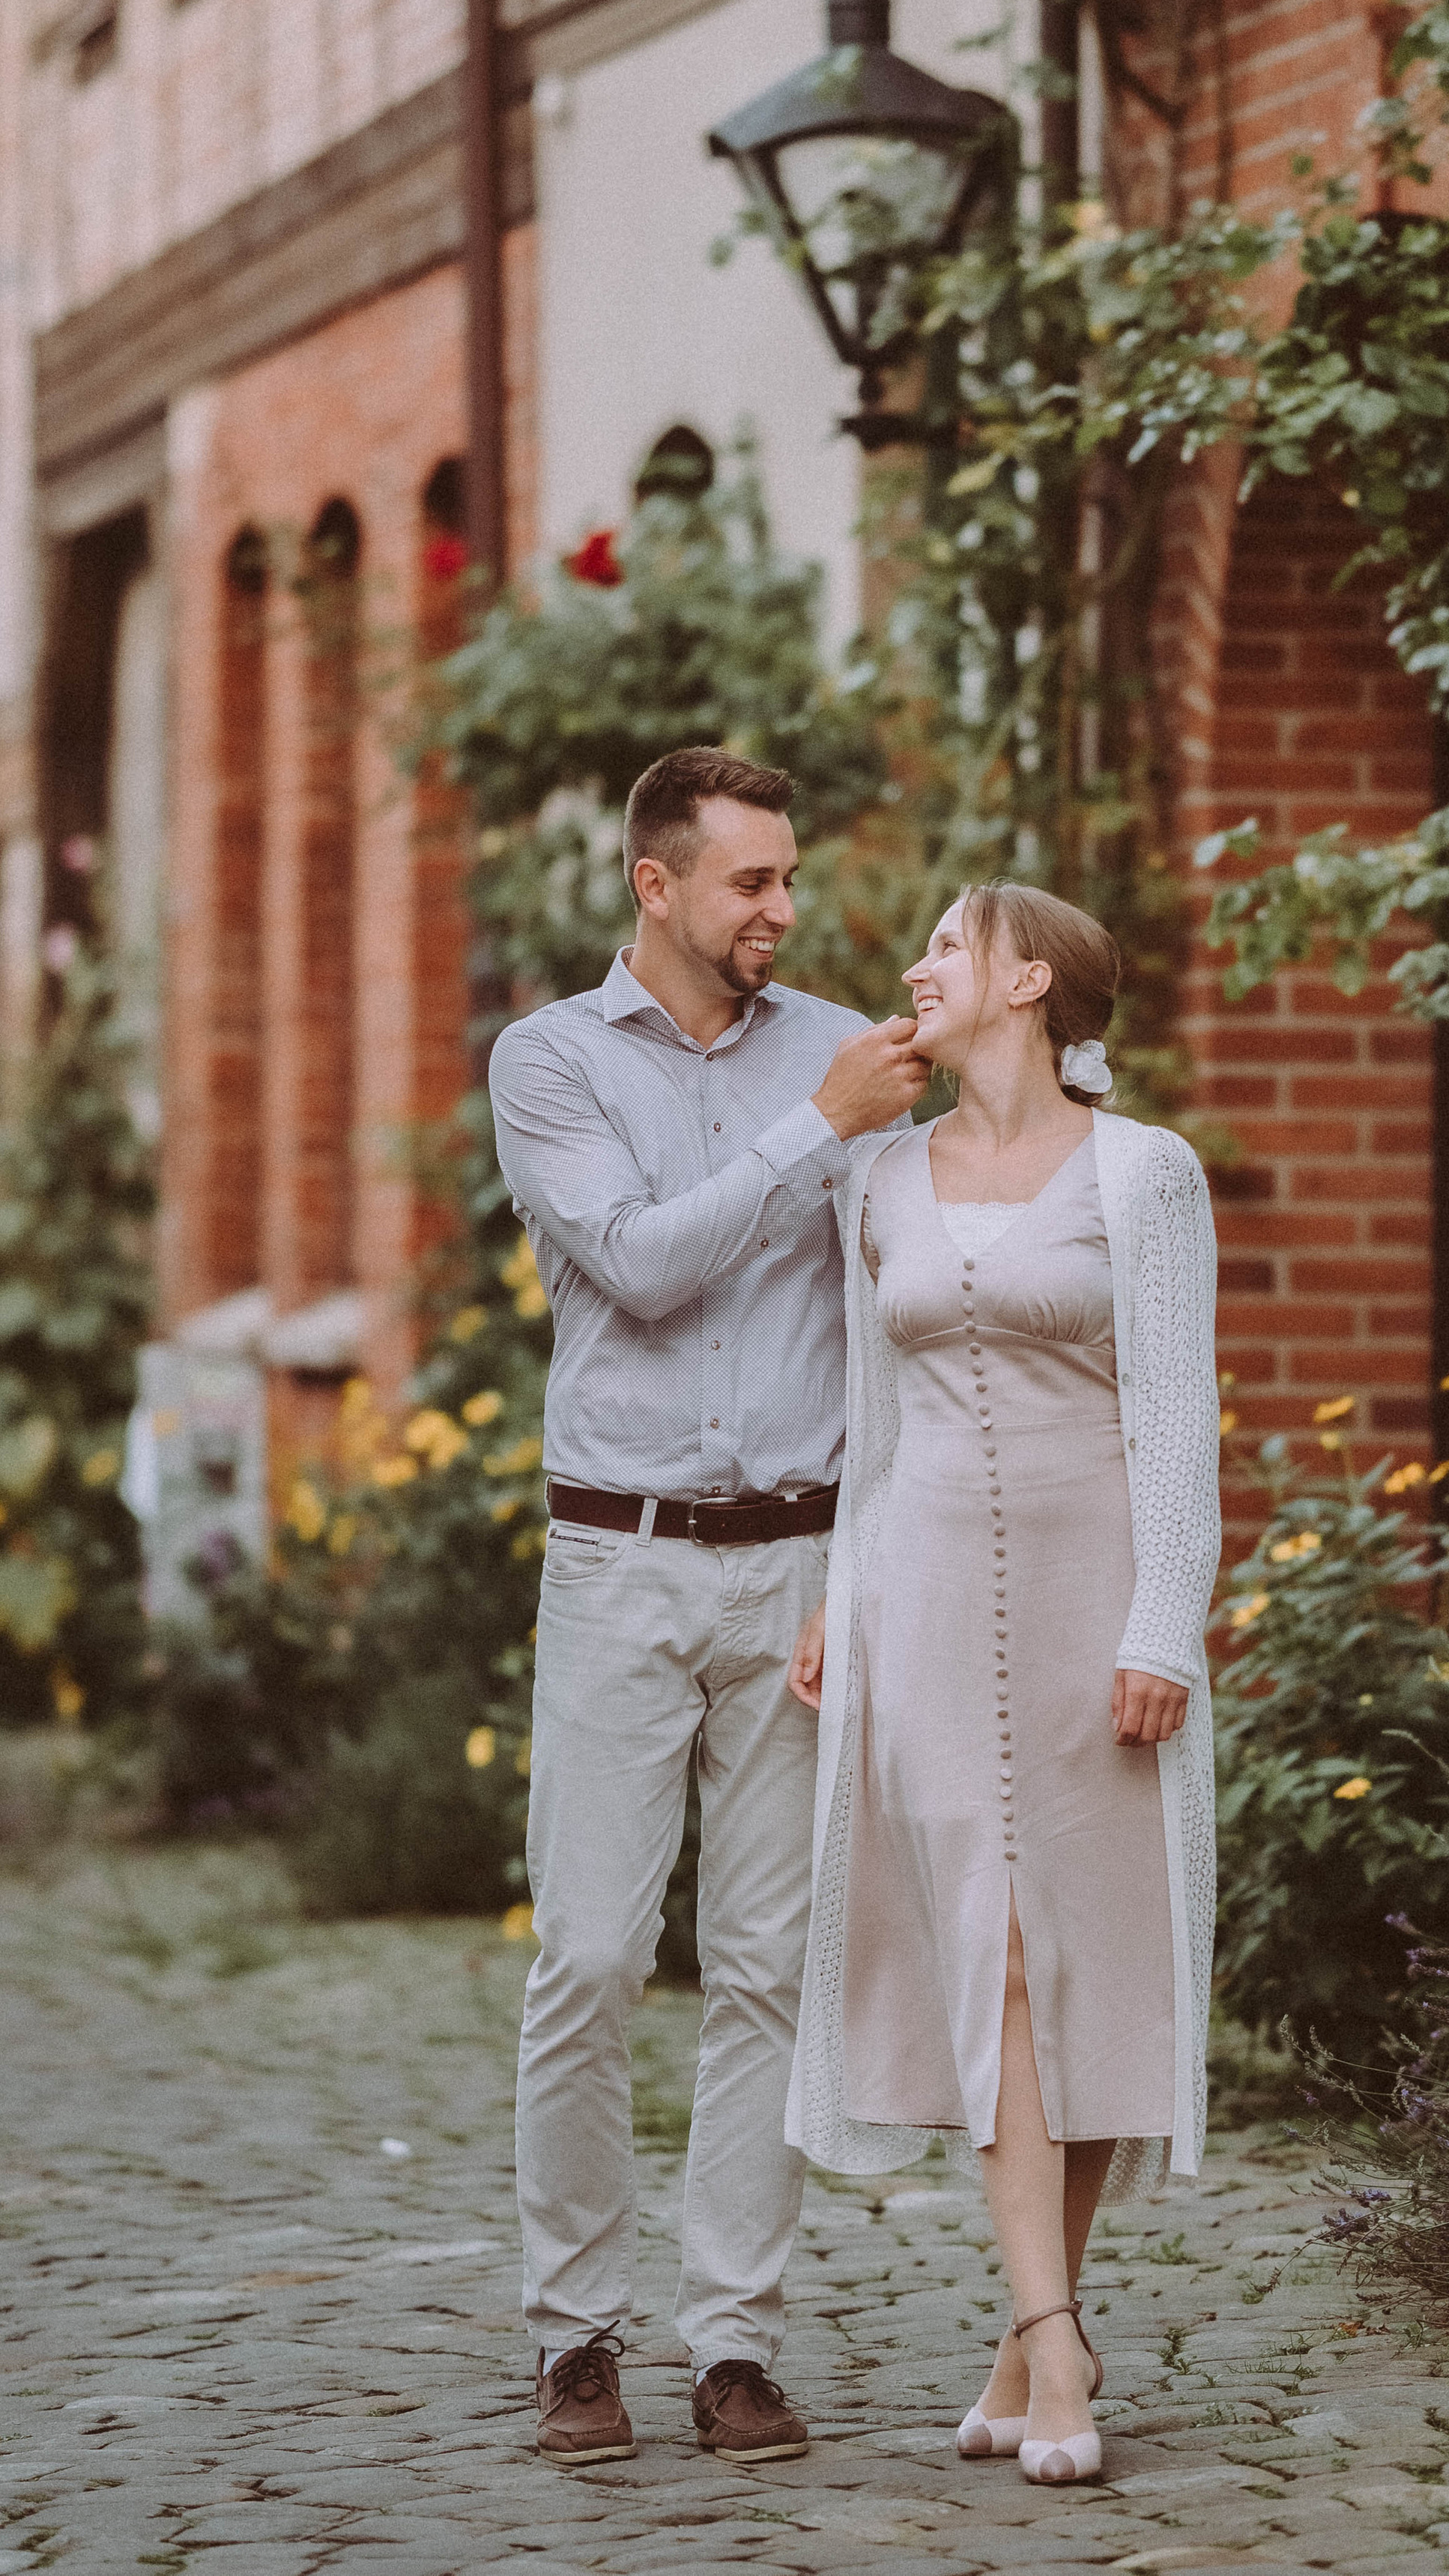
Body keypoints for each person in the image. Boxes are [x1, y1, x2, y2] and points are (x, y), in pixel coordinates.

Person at [488, 746, 928, 2467]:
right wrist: (812, 1134)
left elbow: (912, 1280)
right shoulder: (548, 1062)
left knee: (765, 1969)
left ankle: (732, 2343)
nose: (783, 911)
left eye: (788, 880)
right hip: (620, 1555)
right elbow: (645, 1265)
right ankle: (573, 2338)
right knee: (590, 1957)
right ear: (654, 886)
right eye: (749, 881)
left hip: (805, 1566)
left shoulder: (843, 1049)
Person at [785, 881, 1220, 2489]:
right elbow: (865, 1417)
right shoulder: (875, 1176)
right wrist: (837, 1596)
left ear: (1028, 980)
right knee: (996, 1958)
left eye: (946, 946)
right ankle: (1057, 2341)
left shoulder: (1144, 1172)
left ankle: (1027, 2332)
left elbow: (1177, 1415)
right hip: (915, 1593)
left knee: (1084, 1959)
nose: (915, 967)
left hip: (1088, 1595)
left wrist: (1163, 1620)